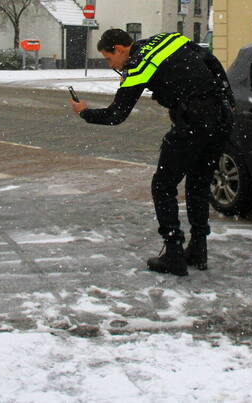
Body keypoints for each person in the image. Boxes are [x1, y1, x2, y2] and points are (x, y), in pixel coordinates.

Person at [70, 29, 235, 276]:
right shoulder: (168, 39)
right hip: (220, 119)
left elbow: (116, 115)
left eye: (108, 58)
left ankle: (173, 253)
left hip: (192, 121)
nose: (110, 64)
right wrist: (227, 100)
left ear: (119, 48)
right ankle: (199, 249)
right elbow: (211, 61)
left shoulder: (138, 65)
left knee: (163, 185)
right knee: (198, 184)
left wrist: (84, 112)